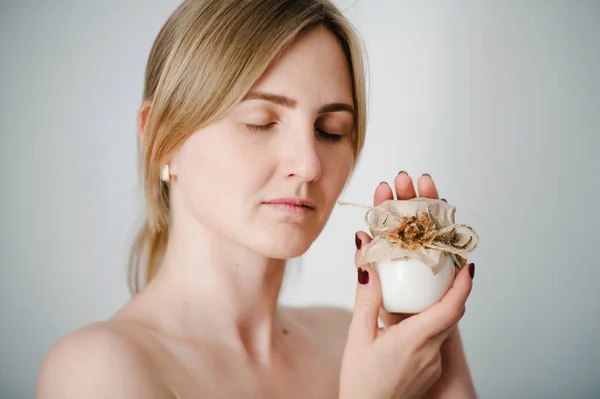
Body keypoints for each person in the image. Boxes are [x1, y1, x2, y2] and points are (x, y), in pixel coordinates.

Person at [36, 0, 476, 397]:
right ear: (160, 139)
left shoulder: (350, 340)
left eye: (330, 131)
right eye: (260, 121)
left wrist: (432, 330)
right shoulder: (95, 372)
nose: (309, 165)